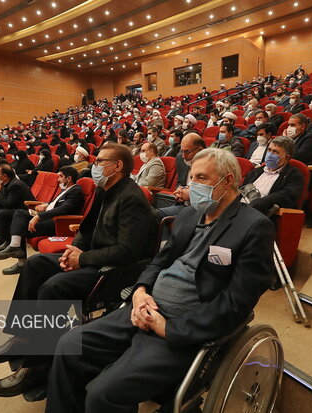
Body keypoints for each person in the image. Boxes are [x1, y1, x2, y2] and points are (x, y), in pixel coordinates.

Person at [44, 148, 275, 413]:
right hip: (143, 308)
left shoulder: (253, 227)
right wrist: (140, 291)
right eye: (190, 179)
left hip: (180, 327)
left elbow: (237, 302)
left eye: (202, 178)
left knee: (102, 394)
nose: (193, 186)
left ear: (228, 181)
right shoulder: (188, 215)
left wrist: (169, 329)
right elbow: (159, 261)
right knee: (69, 344)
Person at [0, 143, 157, 397]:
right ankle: (21, 338)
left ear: (118, 166)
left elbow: (127, 252)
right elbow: (86, 229)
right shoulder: (102, 189)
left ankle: (38, 365)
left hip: (114, 270)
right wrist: (72, 251)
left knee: (53, 287)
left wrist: (83, 258)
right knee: (35, 264)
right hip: (91, 258)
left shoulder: (132, 198)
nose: (95, 167)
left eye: (100, 162)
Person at [0, 166, 84, 273]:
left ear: (69, 179)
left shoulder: (76, 190)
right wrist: (46, 205)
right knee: (19, 213)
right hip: (49, 217)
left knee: (19, 226)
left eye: (60, 176)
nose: (58, 179)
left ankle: (18, 255)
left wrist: (39, 216)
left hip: (58, 223)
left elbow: (65, 208)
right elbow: (57, 204)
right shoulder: (65, 189)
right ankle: (15, 245)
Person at [241, 136, 305, 215]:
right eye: (269, 150)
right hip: (240, 209)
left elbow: (285, 196)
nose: (270, 154)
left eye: (275, 152)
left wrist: (258, 203)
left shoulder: (293, 175)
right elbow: (240, 191)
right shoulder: (256, 171)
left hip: (260, 214)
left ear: (286, 157)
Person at [156, 133, 207, 218]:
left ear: (200, 150)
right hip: (183, 205)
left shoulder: (212, 164)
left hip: (202, 210)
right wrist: (179, 192)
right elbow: (180, 182)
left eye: (187, 151)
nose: (184, 156)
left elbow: (213, 192)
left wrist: (191, 194)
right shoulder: (180, 160)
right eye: (181, 151)